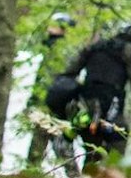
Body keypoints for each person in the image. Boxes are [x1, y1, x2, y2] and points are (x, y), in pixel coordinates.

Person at [61, 22, 131, 167]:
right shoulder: (130, 50)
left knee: (91, 155)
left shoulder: (96, 46)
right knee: (117, 151)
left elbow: (70, 72)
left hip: (86, 108)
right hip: (111, 110)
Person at [28, 11, 77, 166]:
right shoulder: (51, 47)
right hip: (48, 106)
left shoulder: (60, 49)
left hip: (56, 107)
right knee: (37, 152)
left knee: (61, 150)